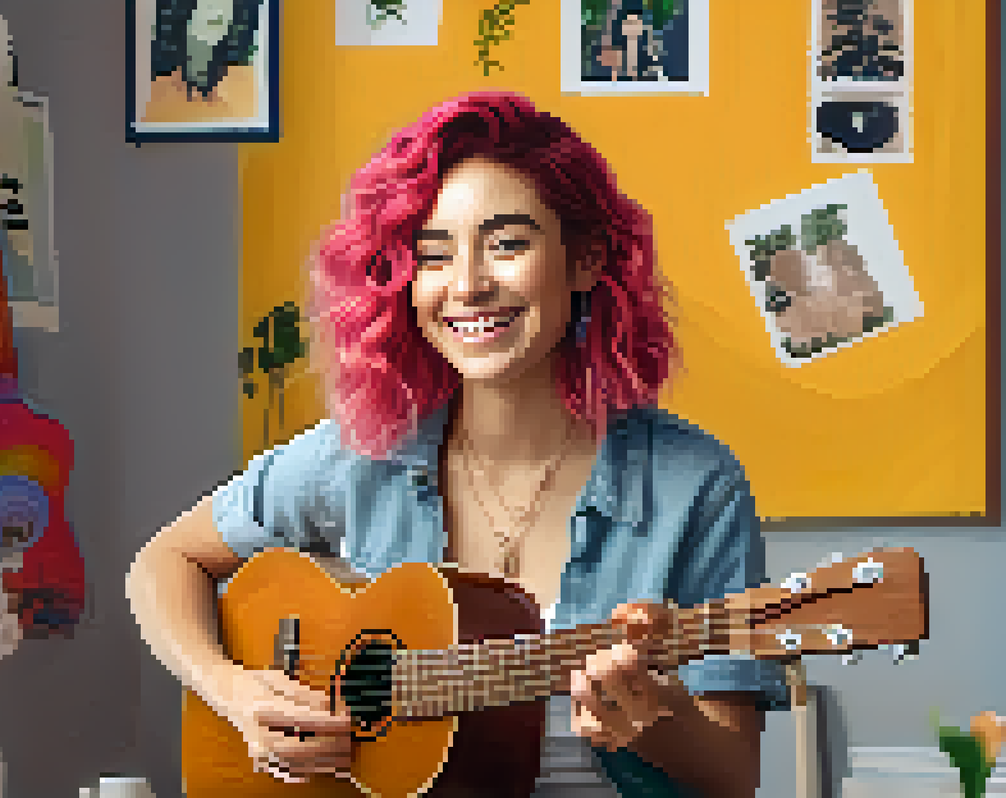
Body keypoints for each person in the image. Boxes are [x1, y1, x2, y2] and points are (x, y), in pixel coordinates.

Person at [125, 90, 787, 797]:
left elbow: (733, 778)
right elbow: (163, 563)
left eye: (506, 245)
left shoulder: (695, 485)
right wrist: (232, 690)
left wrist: (656, 720)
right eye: (433, 256)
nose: (467, 286)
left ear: (587, 259)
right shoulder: (362, 455)